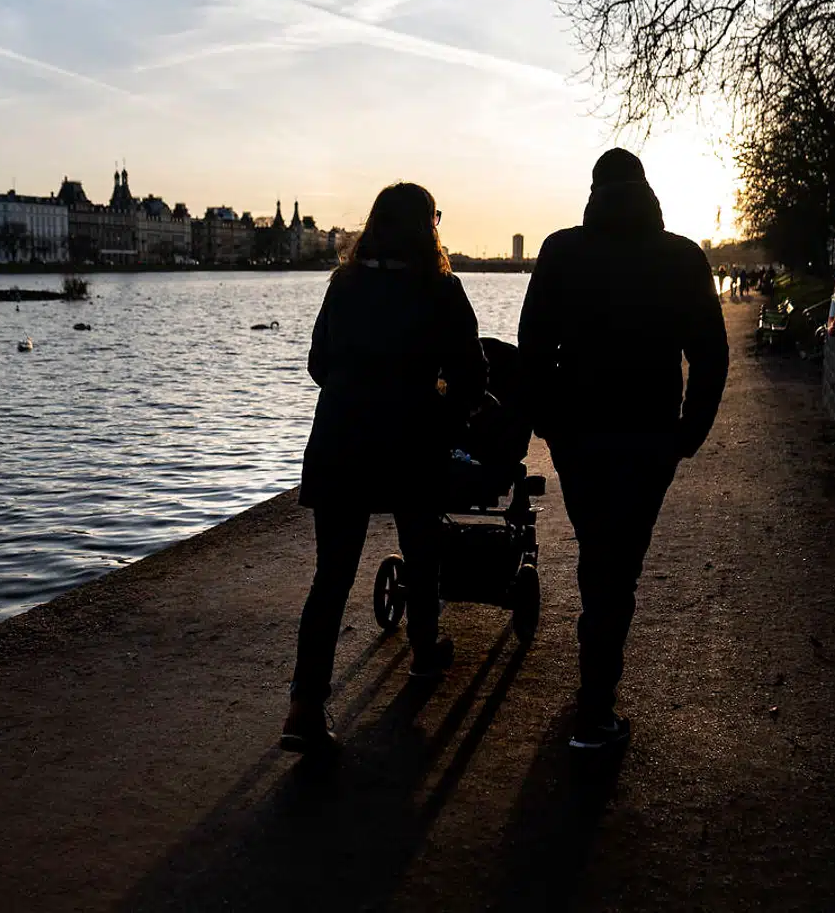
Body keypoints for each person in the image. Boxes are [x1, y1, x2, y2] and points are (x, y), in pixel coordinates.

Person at [518, 149, 729, 751]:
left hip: (580, 437)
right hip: (649, 436)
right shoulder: (681, 257)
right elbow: (711, 355)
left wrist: (549, 424)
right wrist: (689, 433)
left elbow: (531, 350)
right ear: (646, 191)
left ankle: (595, 699)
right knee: (619, 566)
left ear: (593, 192)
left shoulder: (562, 252)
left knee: (597, 553)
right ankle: (595, 710)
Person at [282, 182, 487, 755]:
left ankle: (304, 704)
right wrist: (443, 406)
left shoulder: (343, 285)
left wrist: (358, 393)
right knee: (422, 550)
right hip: (411, 444)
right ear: (429, 228)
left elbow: (318, 364)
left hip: (340, 444)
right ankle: (423, 652)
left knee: (332, 577)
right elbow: (473, 379)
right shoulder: (440, 289)